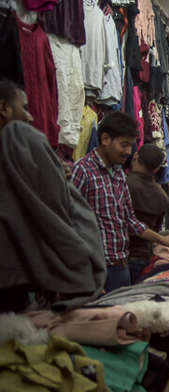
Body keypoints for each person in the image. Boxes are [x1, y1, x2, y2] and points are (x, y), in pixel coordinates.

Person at [0, 81, 106, 311]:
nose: (30, 118)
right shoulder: (19, 136)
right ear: (4, 108)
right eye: (25, 108)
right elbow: (58, 205)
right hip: (25, 280)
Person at [72, 111, 169, 292]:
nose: (128, 152)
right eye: (124, 145)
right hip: (95, 270)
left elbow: (130, 222)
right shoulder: (82, 171)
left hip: (121, 267)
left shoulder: (118, 173)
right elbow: (70, 223)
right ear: (105, 139)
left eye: (131, 146)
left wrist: (167, 241)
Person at [127, 144, 169, 281]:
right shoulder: (162, 196)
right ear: (158, 168)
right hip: (144, 255)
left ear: (135, 157)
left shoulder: (123, 184)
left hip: (121, 256)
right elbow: (156, 230)